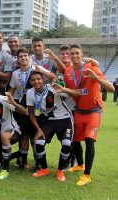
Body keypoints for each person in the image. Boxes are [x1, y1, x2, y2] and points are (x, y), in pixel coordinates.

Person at [64, 44, 114, 186]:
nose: (74, 56)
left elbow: (110, 88)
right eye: (71, 53)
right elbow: (72, 90)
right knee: (74, 139)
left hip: (94, 110)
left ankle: (87, 175)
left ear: (81, 54)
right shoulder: (68, 71)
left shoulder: (92, 68)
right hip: (79, 110)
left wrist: (96, 78)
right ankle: (80, 164)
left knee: (89, 140)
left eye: (76, 53)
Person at [26, 71, 80, 181]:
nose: (36, 81)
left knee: (66, 144)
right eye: (33, 80)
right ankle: (44, 169)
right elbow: (31, 113)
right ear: (30, 82)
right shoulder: (30, 93)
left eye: (38, 79)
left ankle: (60, 171)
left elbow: (73, 94)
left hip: (65, 119)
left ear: (43, 80)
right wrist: (38, 129)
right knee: (39, 142)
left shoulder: (53, 88)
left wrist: (62, 89)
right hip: (50, 120)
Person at [8, 47, 56, 169]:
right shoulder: (15, 73)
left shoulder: (36, 69)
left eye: (25, 56)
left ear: (29, 57)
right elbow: (12, 89)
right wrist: (6, 99)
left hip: (37, 104)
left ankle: (37, 160)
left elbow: (53, 77)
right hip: (20, 105)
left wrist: (42, 71)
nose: (23, 58)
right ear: (17, 59)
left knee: (36, 133)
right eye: (20, 56)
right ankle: (23, 161)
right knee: (24, 134)